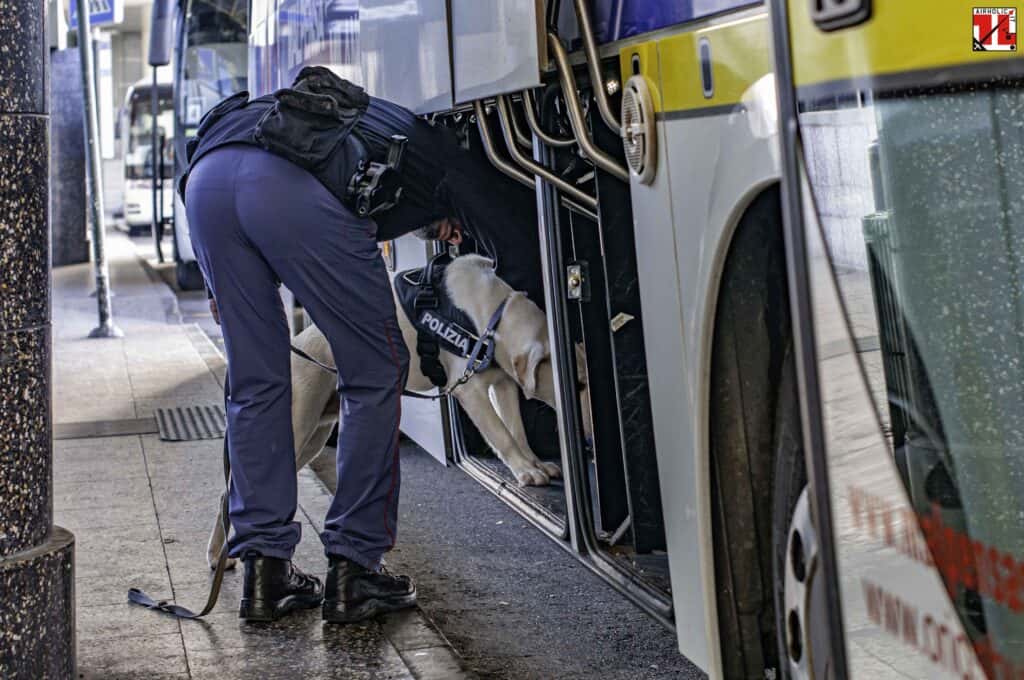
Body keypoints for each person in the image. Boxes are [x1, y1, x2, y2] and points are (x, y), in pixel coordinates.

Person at [179, 66, 540, 624]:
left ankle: (264, 576)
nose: (448, 239)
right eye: (448, 232)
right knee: (375, 371)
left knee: (257, 382)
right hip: (283, 193)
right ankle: (355, 570)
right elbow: (517, 250)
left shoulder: (371, 130)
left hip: (206, 183)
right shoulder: (450, 164)